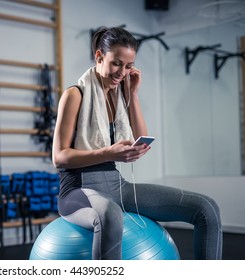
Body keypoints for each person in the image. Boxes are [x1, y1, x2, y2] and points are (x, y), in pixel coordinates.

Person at [52, 27, 222, 260]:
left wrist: (134, 94)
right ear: (99, 56)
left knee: (206, 208)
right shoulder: (75, 95)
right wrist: (107, 153)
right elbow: (59, 157)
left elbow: (140, 136)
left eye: (128, 65)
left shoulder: (120, 94)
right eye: (116, 63)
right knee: (111, 215)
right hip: (78, 190)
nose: (122, 72)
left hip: (116, 186)